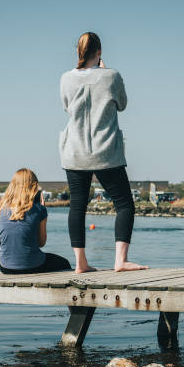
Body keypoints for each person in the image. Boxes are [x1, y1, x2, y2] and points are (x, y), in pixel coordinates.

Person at [60, 32, 148, 273]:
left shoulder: (66, 78)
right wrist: (104, 72)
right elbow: (122, 103)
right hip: (106, 152)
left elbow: (66, 107)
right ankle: (120, 261)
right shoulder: (111, 76)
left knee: (77, 206)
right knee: (124, 204)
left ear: (77, 52)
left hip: (74, 152)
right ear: (98, 53)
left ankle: (80, 263)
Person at [0, 168, 71, 274]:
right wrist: (43, 210)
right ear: (34, 186)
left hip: (7, 268)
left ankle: (11, 262)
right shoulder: (40, 209)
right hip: (34, 266)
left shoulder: (3, 208)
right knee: (65, 263)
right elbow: (41, 243)